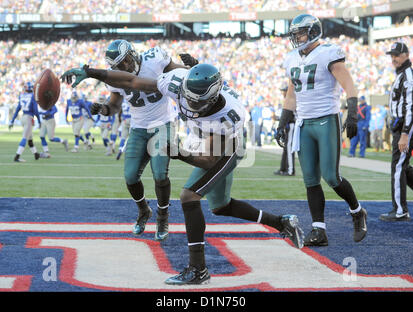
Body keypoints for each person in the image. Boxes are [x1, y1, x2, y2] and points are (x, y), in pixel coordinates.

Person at [61, 62, 305, 286]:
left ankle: (198, 269)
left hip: (227, 147)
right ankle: (282, 222)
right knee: (221, 206)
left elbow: (209, 161)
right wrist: (92, 72)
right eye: (189, 98)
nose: (191, 105)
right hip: (204, 140)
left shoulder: (229, 115)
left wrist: (176, 152)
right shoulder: (177, 82)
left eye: (199, 102)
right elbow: (133, 82)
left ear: (213, 97)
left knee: (189, 197)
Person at [275, 14, 367, 246]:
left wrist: (352, 112)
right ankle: (319, 230)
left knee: (331, 176)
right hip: (304, 123)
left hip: (326, 118)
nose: (296, 37)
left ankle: (357, 212)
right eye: (295, 33)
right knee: (310, 179)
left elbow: (349, 84)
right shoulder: (291, 58)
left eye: (301, 32)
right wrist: (283, 121)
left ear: (314, 32)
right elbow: (291, 93)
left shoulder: (328, 52)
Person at [83, 40, 187, 242]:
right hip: (139, 128)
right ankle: (143, 210)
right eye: (119, 67)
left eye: (125, 62)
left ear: (133, 53)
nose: (124, 67)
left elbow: (180, 73)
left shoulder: (155, 59)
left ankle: (163, 216)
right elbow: (114, 107)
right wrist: (103, 109)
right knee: (130, 177)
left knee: (159, 174)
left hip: (163, 124)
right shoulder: (115, 78)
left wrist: (192, 68)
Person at [379, 42, 413, 221]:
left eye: (397, 55)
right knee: (403, 166)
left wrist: (405, 133)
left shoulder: (408, 76)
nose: (393, 58)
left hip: (409, 125)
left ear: (406, 55)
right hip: (403, 125)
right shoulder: (401, 75)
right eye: (392, 55)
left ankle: (400, 210)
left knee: (398, 166)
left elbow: (412, 107)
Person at [9, 82, 41, 163]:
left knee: (29, 138)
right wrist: (39, 121)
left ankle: (36, 154)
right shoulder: (32, 96)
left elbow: (17, 109)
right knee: (25, 138)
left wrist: (12, 121)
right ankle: (17, 156)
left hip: (23, 118)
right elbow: (35, 110)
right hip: (29, 118)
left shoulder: (22, 96)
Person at [274, 86, 296, 176]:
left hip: (291, 125)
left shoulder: (291, 100)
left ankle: (291, 170)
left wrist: (281, 122)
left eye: (284, 91)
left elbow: (289, 115)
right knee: (286, 147)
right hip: (288, 125)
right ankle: (283, 168)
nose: (282, 92)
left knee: (289, 147)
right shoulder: (288, 100)